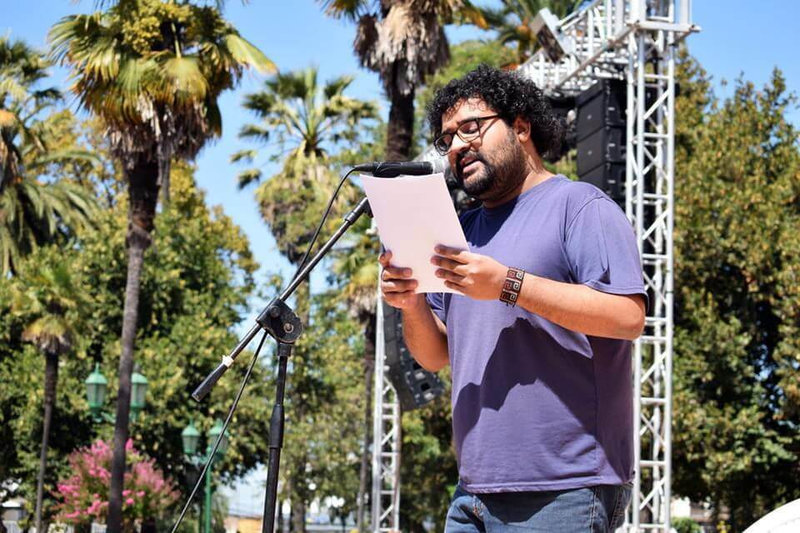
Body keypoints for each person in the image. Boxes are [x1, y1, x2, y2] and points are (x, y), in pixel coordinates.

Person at [379, 65, 647, 532]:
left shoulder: (581, 206)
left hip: (564, 488)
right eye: (448, 139)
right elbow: (434, 356)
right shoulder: (456, 233)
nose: (458, 146)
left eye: (471, 127)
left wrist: (508, 283)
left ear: (521, 126)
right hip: (473, 493)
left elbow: (627, 317)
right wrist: (412, 303)